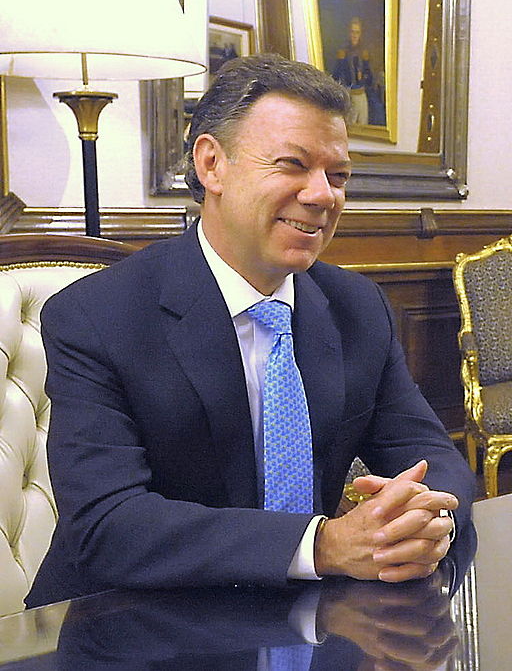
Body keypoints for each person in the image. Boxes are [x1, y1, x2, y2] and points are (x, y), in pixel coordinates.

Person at [26, 54, 475, 607]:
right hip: (125, 619)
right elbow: (107, 524)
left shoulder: (357, 307)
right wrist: (322, 546)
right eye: (292, 165)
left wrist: (425, 518)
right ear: (212, 165)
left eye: (338, 176)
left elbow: (432, 454)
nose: (322, 195)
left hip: (308, 619)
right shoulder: (96, 315)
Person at [332, 17, 385, 126]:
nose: (355, 35)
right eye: (352, 32)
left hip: (362, 94)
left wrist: (364, 76)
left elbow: (370, 77)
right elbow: (336, 76)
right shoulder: (342, 52)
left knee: (365, 123)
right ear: (348, 33)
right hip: (348, 95)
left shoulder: (364, 52)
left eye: (357, 32)